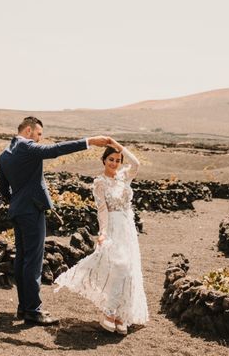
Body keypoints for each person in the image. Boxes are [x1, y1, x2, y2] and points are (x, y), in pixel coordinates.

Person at [0, 116, 111, 326]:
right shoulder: (26, 146)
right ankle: (33, 310)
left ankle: (24, 307)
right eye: (39, 134)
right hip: (31, 212)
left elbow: (3, 189)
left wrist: (18, 201)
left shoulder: (5, 154)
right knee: (33, 261)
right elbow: (55, 150)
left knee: (23, 259)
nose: (39, 139)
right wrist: (90, 141)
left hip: (18, 211)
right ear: (29, 131)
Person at [54, 139, 149, 335]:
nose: (114, 163)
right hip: (113, 227)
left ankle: (123, 314)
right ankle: (109, 312)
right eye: (111, 159)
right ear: (104, 160)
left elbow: (137, 164)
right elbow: (102, 210)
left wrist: (118, 145)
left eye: (117, 160)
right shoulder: (100, 183)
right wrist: (103, 232)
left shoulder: (124, 177)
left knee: (130, 270)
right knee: (119, 266)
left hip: (128, 228)